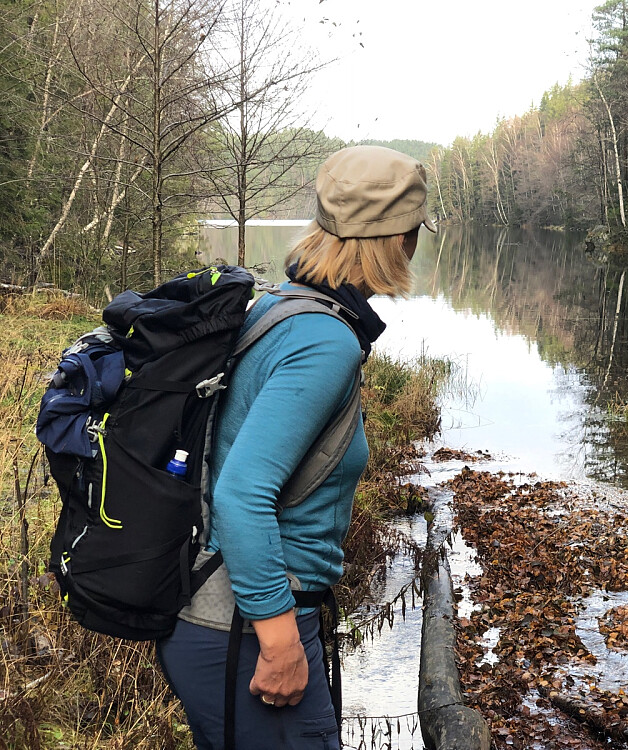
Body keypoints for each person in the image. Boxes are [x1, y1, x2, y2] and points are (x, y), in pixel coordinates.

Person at [157, 145, 436, 750]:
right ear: (398, 239)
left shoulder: (283, 305)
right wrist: (280, 640)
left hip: (232, 617)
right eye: (412, 231)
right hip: (246, 627)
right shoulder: (323, 339)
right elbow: (241, 491)